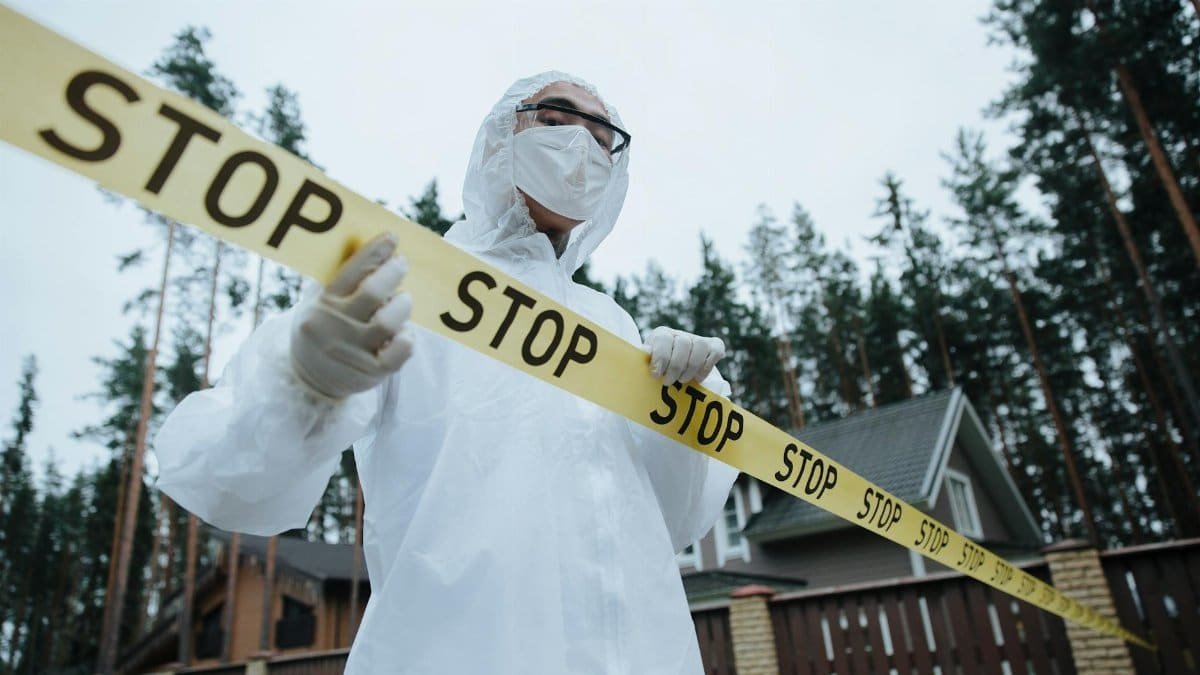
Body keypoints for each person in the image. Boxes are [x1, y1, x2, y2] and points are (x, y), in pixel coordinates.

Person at [155, 71, 738, 674]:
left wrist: (693, 413)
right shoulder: (415, 282)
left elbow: (673, 520)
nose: (581, 147)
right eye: (558, 120)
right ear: (498, 138)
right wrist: (301, 383)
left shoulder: (611, 326)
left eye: (601, 136)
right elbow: (229, 482)